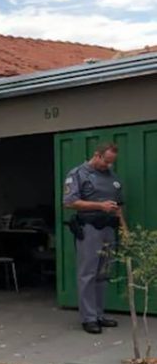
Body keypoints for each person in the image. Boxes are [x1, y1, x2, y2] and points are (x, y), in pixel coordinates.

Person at [63, 142, 124, 334]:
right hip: (90, 228)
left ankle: (99, 314)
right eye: (106, 161)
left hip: (109, 228)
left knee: (103, 273)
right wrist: (100, 206)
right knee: (88, 273)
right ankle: (88, 318)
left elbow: (118, 206)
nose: (108, 166)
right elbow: (69, 202)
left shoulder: (112, 177)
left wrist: (125, 229)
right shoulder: (78, 174)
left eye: (111, 163)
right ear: (97, 155)